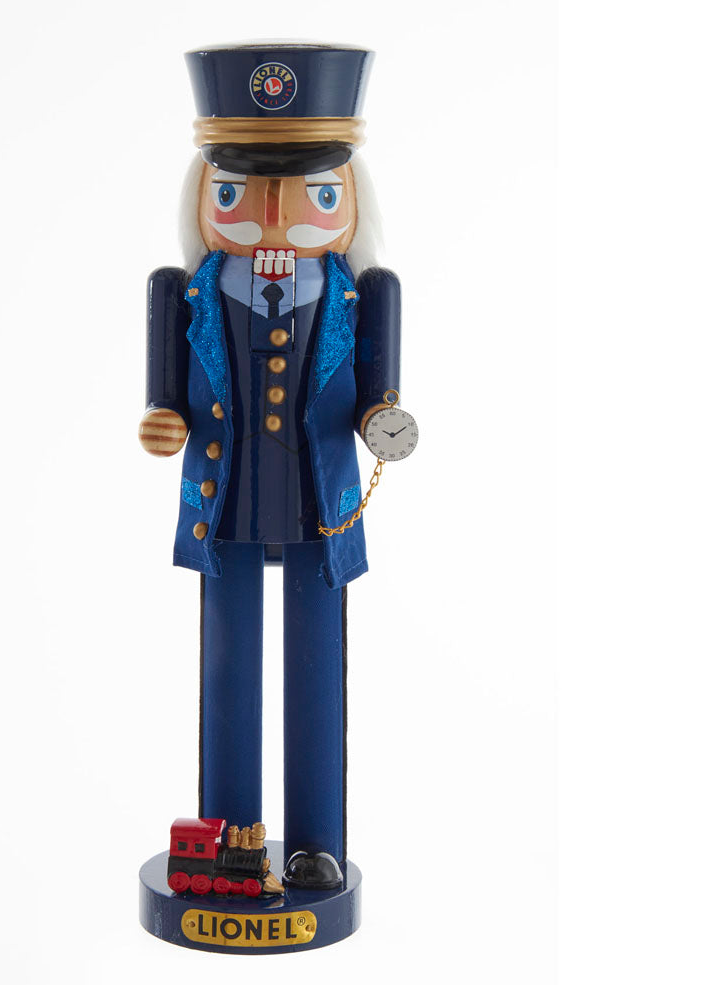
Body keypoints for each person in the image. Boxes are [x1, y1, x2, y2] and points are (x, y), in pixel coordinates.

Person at [139, 43, 410, 889]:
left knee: (314, 666)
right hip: (223, 500)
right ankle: (232, 832)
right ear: (205, 195)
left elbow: (377, 390)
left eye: (313, 193)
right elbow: (167, 390)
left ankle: (314, 840)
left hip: (319, 498)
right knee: (227, 665)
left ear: (350, 199)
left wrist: (381, 418)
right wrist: (163, 415)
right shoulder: (183, 291)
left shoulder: (365, 294)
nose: (272, 213)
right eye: (237, 191)